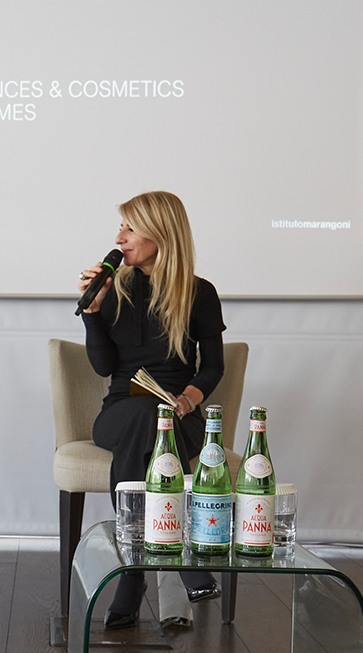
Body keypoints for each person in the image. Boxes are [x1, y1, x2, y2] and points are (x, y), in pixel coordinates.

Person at [76, 191, 226, 629]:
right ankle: (182, 557)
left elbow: (213, 366)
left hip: (180, 416)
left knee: (157, 421)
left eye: (129, 228)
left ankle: (133, 574)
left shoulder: (199, 293)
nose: (119, 237)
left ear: (161, 234)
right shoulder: (114, 290)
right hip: (121, 410)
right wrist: (93, 311)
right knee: (145, 417)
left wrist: (187, 400)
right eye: (119, 228)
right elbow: (103, 367)